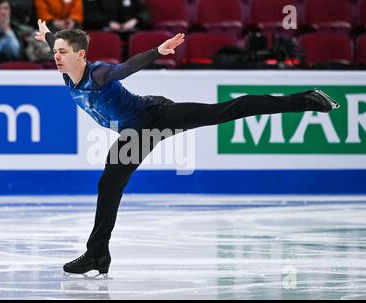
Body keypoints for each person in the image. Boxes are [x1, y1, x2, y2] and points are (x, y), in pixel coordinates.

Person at [34, 19, 340, 276]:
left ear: (82, 55)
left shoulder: (98, 74)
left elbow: (126, 68)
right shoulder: (68, 71)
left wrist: (158, 51)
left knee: (221, 111)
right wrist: (48, 34)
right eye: (56, 51)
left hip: (155, 118)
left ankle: (305, 99)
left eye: (63, 52)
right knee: (108, 184)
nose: (57, 56)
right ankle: (97, 254)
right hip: (132, 135)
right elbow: (56, 44)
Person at [83, 0, 151, 32]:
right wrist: (108, 22)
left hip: (130, 31)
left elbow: (143, 12)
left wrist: (135, 20)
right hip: (103, 30)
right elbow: (91, 14)